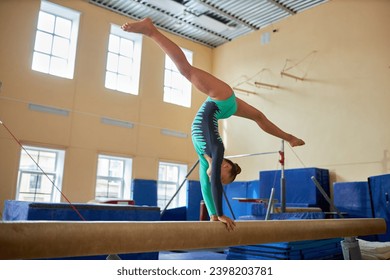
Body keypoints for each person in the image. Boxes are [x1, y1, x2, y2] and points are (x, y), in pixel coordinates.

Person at [122, 18, 305, 231]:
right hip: (221, 98)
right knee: (186, 71)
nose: (214, 176)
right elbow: (215, 185)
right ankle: (151, 30)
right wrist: (219, 214)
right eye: (219, 173)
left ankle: (290, 137)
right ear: (224, 165)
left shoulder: (203, 160)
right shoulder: (216, 149)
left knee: (259, 117)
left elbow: (206, 188)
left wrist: (212, 215)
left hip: (224, 107)